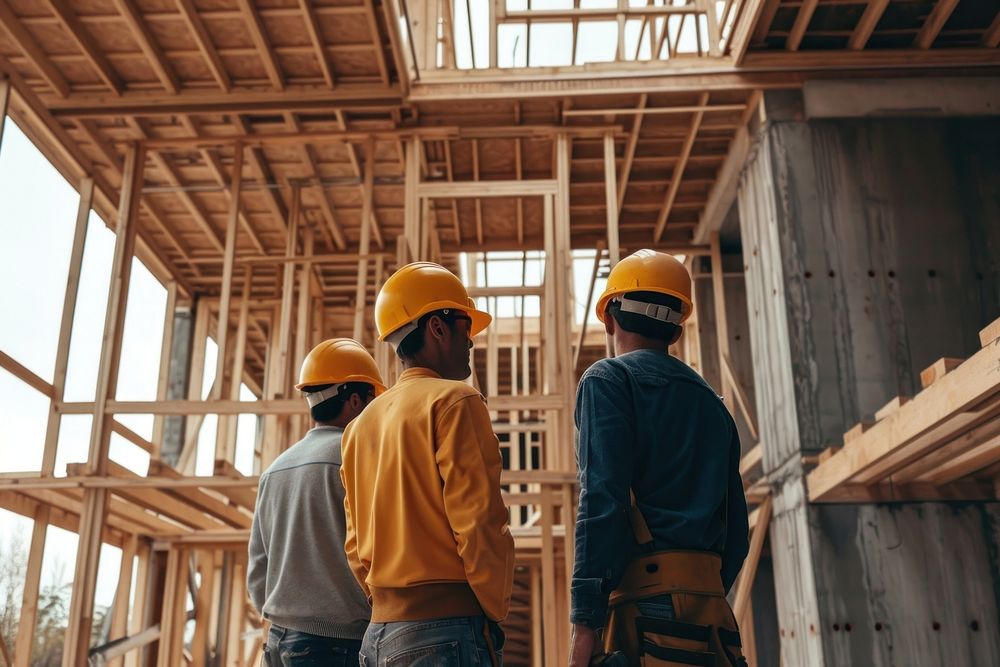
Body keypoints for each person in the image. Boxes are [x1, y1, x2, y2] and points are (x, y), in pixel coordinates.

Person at [568, 249, 750, 667]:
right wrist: (696, 583)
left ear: (610, 316)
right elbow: (736, 533)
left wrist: (584, 626)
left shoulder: (608, 380)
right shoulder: (713, 403)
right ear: (676, 329)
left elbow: (601, 503)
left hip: (646, 608)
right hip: (713, 614)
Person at [340, 261, 514, 666]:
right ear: (437, 326)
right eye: (465, 327)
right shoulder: (455, 401)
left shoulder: (359, 425)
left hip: (378, 635)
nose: (470, 341)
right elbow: (479, 521)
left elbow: (354, 543)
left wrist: (387, 604)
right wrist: (492, 610)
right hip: (446, 628)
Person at [248, 338, 386, 666]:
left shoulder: (275, 469)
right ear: (354, 400)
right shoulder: (358, 460)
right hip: (338, 644)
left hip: (278, 640)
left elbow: (258, 566)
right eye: (372, 400)